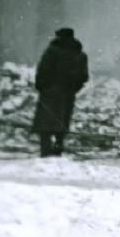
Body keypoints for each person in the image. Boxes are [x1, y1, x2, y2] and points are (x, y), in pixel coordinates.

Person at [32, 27, 89, 157]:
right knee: (62, 123)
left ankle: (45, 152)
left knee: (45, 125)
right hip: (67, 94)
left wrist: (41, 86)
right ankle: (58, 150)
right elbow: (84, 77)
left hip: (49, 92)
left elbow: (42, 70)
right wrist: (73, 88)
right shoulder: (80, 55)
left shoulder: (51, 51)